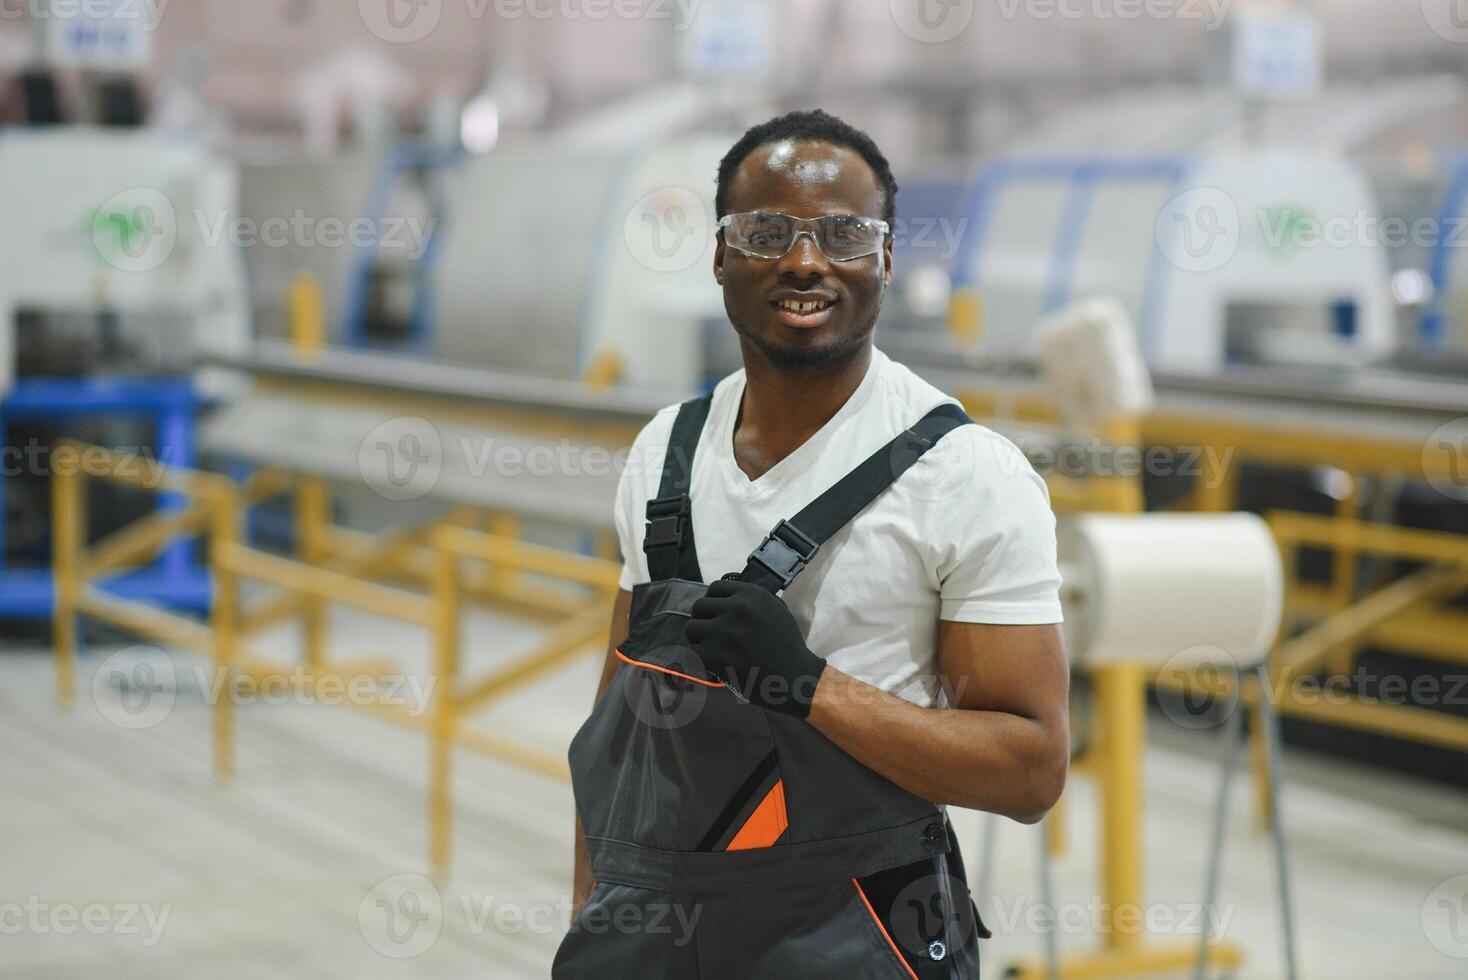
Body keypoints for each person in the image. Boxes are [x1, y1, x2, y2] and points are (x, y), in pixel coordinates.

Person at [555, 109, 1070, 979]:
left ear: (886, 260)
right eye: (766, 231)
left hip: (853, 936)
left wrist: (811, 688)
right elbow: (624, 727)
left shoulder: (968, 474)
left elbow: (1030, 770)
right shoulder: (664, 455)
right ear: (720, 254)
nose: (804, 260)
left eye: (843, 233)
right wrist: (592, 911)